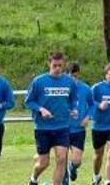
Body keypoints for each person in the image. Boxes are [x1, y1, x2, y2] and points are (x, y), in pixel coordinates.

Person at [24, 51, 79, 185]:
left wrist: (74, 109)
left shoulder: (69, 81)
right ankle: (34, 178)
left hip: (62, 126)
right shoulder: (39, 81)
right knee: (43, 163)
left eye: (60, 65)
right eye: (54, 65)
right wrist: (41, 109)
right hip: (43, 127)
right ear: (49, 64)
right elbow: (28, 101)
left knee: (61, 159)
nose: (57, 68)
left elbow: (73, 100)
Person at [65, 62, 94, 184]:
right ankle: (64, 179)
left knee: (77, 160)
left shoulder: (86, 89)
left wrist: (88, 117)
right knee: (61, 158)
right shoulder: (62, 89)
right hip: (63, 128)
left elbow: (93, 105)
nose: (73, 79)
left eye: (75, 76)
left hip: (79, 129)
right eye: (71, 76)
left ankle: (72, 167)